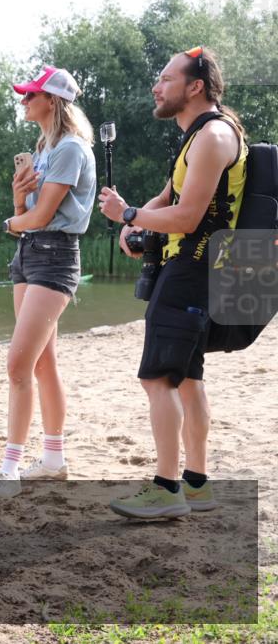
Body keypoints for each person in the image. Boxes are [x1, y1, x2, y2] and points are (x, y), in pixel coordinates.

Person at [99, 47, 246, 518]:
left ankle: (166, 489)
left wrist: (127, 214)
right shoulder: (196, 139)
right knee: (187, 378)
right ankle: (197, 484)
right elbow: (166, 199)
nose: (156, 87)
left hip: (193, 269)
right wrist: (134, 223)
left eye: (165, 79)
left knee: (157, 377)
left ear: (194, 86)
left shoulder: (214, 136)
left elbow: (186, 216)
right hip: (198, 269)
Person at [0, 66, 96, 498]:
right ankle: (52, 459)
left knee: (18, 365)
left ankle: (9, 470)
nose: (23, 101)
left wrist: (11, 221)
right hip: (30, 254)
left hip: (54, 256)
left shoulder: (69, 149)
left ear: (53, 101)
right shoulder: (44, 148)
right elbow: (29, 210)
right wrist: (17, 198)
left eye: (31, 95)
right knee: (42, 363)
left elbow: (42, 217)